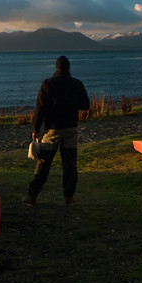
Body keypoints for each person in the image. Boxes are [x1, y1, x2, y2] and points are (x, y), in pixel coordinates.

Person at [24, 55, 91, 206]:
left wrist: (36, 128)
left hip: (52, 129)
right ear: (69, 68)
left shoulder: (48, 83)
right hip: (71, 129)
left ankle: (32, 196)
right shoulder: (77, 84)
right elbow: (85, 105)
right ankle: (69, 197)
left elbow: (40, 108)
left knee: (43, 163)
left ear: (56, 68)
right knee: (69, 164)